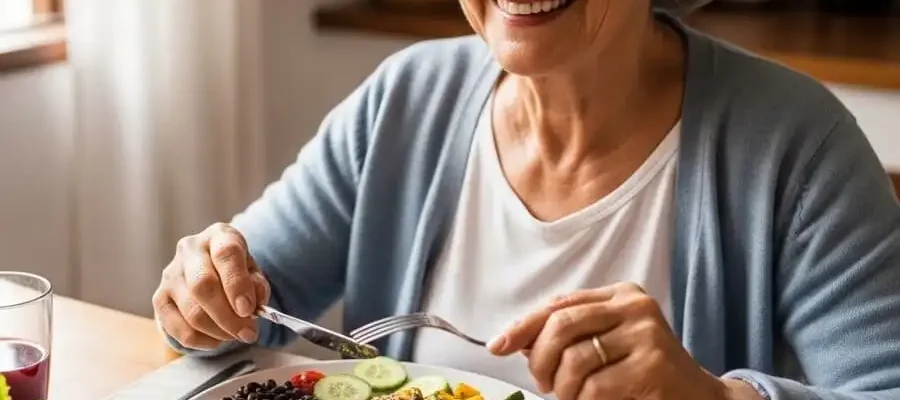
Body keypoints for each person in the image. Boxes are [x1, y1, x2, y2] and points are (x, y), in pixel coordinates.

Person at [151, 0, 900, 398]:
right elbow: (234, 311)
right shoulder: (406, 101)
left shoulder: (796, 144)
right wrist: (201, 294)